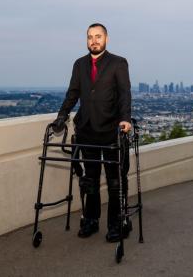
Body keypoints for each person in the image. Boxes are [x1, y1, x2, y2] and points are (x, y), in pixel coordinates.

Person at [53, 23, 131, 242]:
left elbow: (125, 94)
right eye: (90, 37)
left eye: (98, 36)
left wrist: (125, 118)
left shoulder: (118, 63)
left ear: (106, 38)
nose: (94, 40)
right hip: (87, 130)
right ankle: (91, 220)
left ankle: (116, 224)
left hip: (111, 130)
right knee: (90, 179)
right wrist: (61, 116)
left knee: (115, 181)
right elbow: (73, 93)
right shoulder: (79, 65)